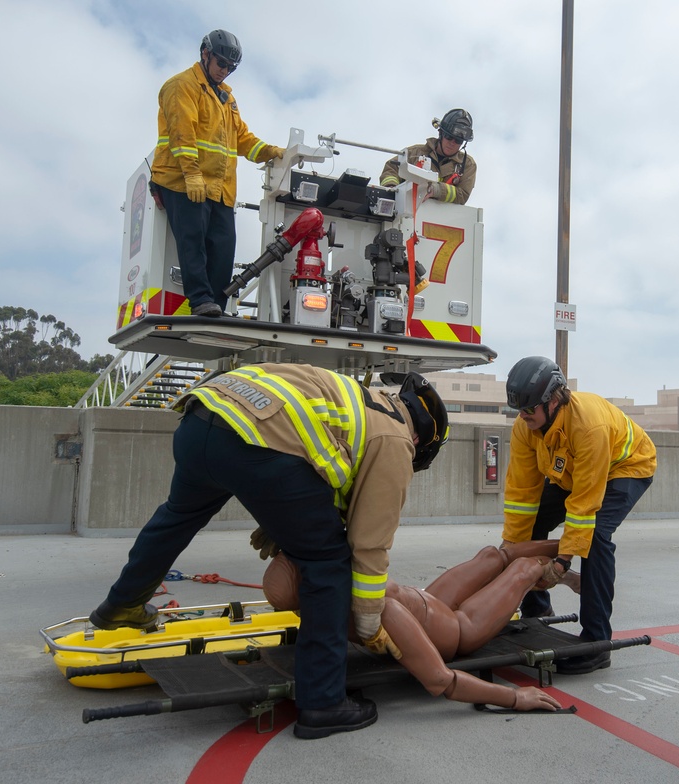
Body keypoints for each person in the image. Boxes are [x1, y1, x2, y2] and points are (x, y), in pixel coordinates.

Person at [87, 365, 449, 741]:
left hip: (202, 416)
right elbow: (369, 545)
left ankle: (121, 606)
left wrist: (283, 519)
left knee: (178, 515)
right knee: (327, 563)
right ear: (424, 441)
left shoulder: (360, 400)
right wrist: (370, 624)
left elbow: (317, 462)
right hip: (255, 443)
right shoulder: (395, 439)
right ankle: (324, 704)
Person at [261, 539, 578, 712]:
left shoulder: (325, 582)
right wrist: (514, 698)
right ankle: (563, 570)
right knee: (523, 569)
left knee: (492, 555)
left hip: (430, 599)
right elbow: (441, 681)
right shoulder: (378, 612)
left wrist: (574, 542)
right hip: (459, 628)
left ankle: (573, 544)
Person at [499, 356, 656, 675]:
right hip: (572, 473)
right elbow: (522, 494)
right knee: (536, 522)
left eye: (529, 408)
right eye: (519, 409)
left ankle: (596, 642)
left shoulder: (588, 425)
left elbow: (584, 505)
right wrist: (511, 546)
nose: (523, 416)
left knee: (596, 536)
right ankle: (536, 612)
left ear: (553, 400)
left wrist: (562, 562)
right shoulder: (525, 428)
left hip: (625, 468)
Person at [150, 30, 284, 318]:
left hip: (219, 188)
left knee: (224, 248)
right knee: (193, 241)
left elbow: (242, 138)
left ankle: (216, 306)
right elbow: (182, 134)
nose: (225, 71)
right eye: (221, 63)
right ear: (205, 53)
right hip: (182, 180)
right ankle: (199, 300)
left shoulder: (226, 99)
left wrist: (269, 151)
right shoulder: (181, 86)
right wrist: (192, 175)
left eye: (231, 68)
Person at [379, 109, 477, 204]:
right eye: (449, 137)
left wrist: (437, 189)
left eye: (458, 141)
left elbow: (463, 195)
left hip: (441, 218)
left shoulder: (467, 165)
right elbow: (391, 168)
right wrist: (391, 188)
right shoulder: (414, 153)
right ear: (441, 134)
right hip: (407, 214)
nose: (452, 143)